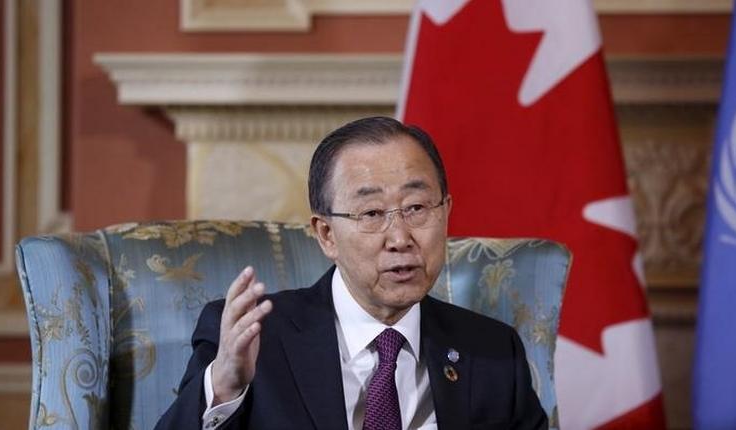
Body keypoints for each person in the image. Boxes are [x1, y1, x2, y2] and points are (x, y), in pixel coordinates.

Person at [155, 117, 547, 429]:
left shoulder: (493, 351)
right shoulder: (257, 340)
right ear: (326, 234)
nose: (400, 238)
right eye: (372, 213)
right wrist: (224, 387)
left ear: (445, 212)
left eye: (416, 208)